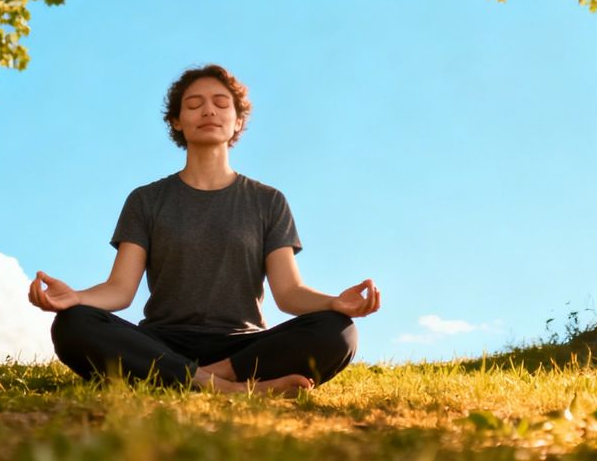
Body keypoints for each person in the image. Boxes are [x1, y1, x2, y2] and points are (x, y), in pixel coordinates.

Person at [28, 64, 381, 396]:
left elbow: (289, 293)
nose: (208, 111)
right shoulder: (146, 199)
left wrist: (334, 303)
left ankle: (190, 378)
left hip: (243, 348)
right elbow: (120, 290)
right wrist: (76, 298)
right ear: (177, 122)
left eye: (221, 104)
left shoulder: (268, 201)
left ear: (237, 120)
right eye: (194, 105)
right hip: (162, 342)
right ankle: (231, 389)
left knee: (339, 332)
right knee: (73, 324)